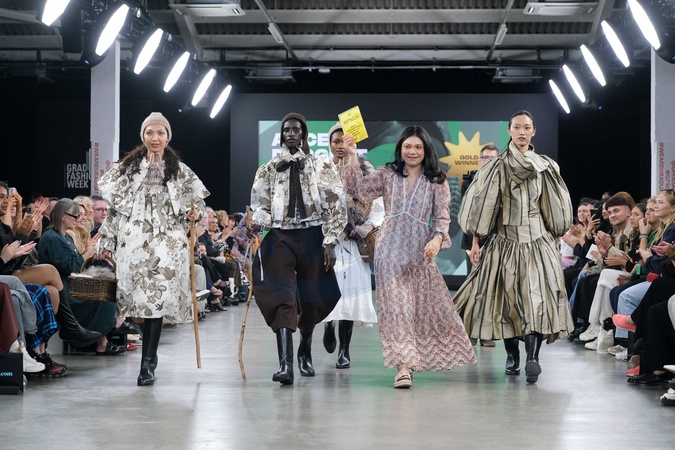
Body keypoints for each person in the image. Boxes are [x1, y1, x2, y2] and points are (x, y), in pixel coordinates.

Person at [341, 125, 476, 389]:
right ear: (400, 149)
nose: (412, 151)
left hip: (420, 253)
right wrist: (352, 155)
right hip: (389, 252)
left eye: (417, 147)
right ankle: (403, 368)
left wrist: (437, 239)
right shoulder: (387, 175)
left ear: (426, 150)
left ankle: (415, 360)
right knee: (397, 309)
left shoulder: (437, 181)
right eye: (407, 146)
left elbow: (442, 218)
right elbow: (358, 190)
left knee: (424, 310)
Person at [454, 110, 574, 384]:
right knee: (506, 300)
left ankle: (533, 357)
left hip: (538, 242)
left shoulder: (546, 166)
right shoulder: (495, 167)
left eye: (527, 127)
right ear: (509, 131)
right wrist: (476, 240)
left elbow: (554, 207)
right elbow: (483, 207)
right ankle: (512, 356)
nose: (522, 132)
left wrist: (555, 233)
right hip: (504, 241)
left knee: (536, 299)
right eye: (517, 127)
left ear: (534, 131)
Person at [98, 112, 209, 386]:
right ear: (143, 136)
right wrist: (107, 238)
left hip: (167, 241)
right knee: (137, 303)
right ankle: (150, 350)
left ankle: (147, 363)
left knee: (155, 301)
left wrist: (194, 214)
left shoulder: (179, 171)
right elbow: (115, 208)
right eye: (150, 132)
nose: (155, 137)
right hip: (133, 240)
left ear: (168, 137)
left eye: (160, 133)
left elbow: (197, 204)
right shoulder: (127, 168)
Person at [250, 112, 346, 386]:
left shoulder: (320, 165)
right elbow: (260, 203)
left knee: (311, 296)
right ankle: (286, 365)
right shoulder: (269, 168)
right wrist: (259, 223)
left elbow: (336, 202)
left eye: (295, 130)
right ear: (281, 135)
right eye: (286, 130)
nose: (291, 134)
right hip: (280, 236)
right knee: (281, 295)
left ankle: (305, 348)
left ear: (303, 134)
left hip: (313, 234)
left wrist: (330, 240)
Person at [321, 122, 383, 369]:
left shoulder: (365, 168)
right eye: (336, 141)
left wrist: (363, 228)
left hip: (355, 244)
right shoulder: (322, 169)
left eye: (345, 141)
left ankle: (344, 350)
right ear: (329, 144)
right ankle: (328, 324)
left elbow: (378, 205)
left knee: (350, 298)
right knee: (329, 293)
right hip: (329, 243)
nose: (340, 146)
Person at [37, 198, 120, 355]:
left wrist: (92, 255)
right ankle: (94, 341)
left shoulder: (64, 236)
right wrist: (88, 252)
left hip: (70, 282)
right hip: (64, 287)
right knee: (102, 294)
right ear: (63, 216)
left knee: (107, 286)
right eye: (74, 216)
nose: (77, 219)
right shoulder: (52, 238)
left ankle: (101, 340)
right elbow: (71, 267)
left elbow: (76, 263)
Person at [460, 143, 499, 348]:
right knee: (473, 285)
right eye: (485, 158)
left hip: (496, 241)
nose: (489, 162)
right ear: (479, 160)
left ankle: (486, 333)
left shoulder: (503, 182)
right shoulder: (469, 181)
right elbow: (470, 212)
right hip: (473, 240)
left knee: (491, 287)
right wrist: (474, 242)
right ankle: (470, 331)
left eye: (493, 159)